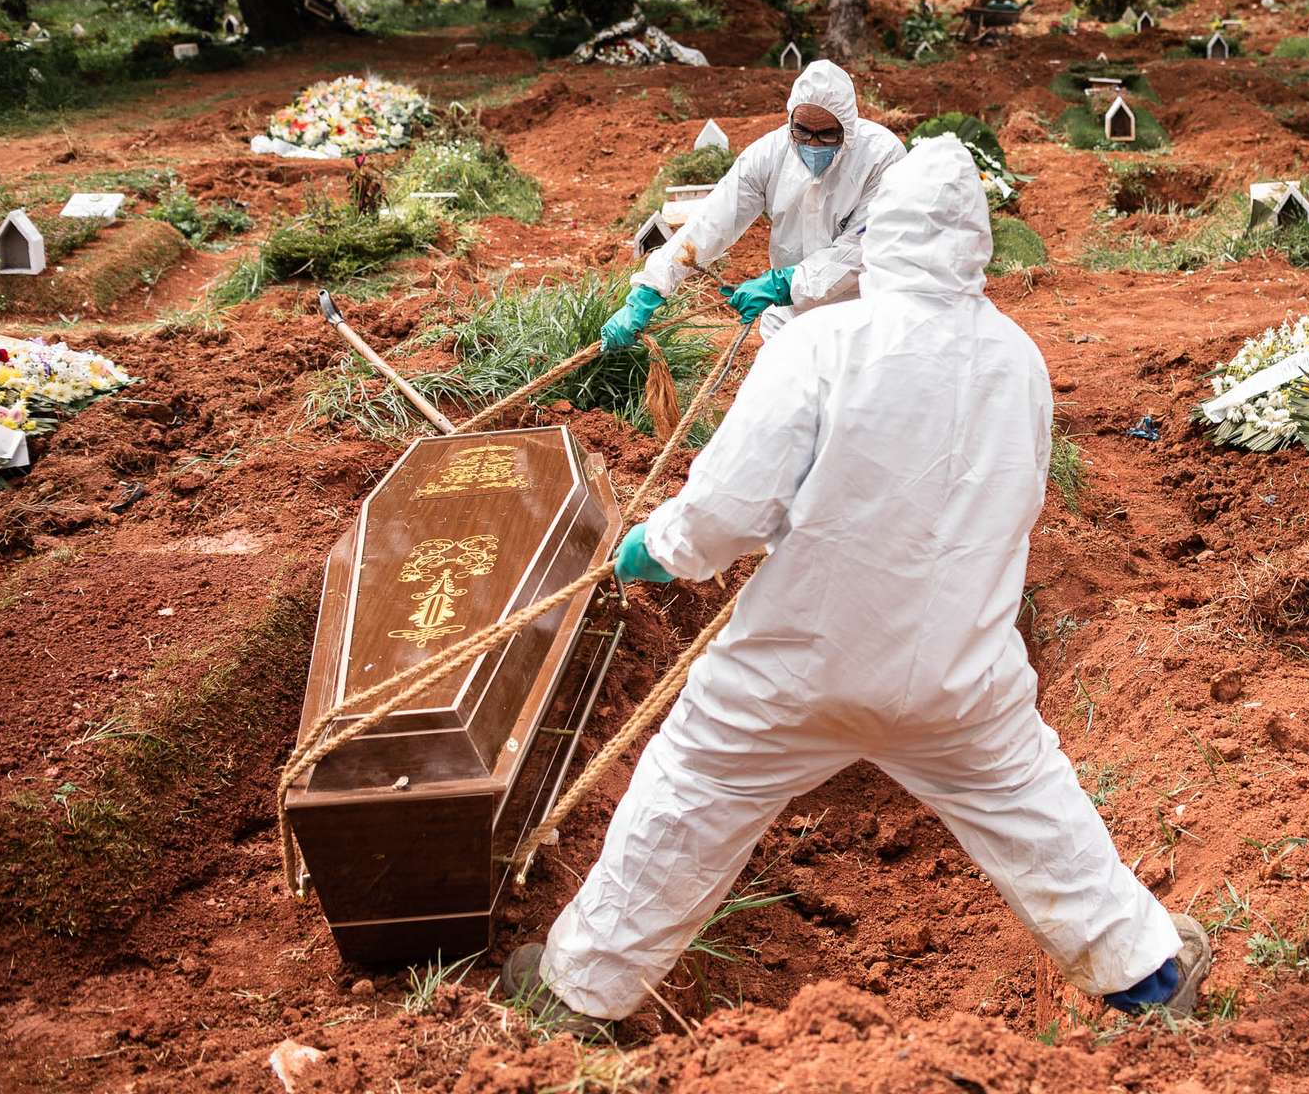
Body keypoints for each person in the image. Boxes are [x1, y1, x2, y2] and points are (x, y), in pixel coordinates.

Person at [503, 136, 1209, 1033]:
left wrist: (657, 546)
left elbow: (726, 513)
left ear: (881, 235)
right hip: (961, 674)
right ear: (977, 244)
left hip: (796, 666)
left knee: (685, 796)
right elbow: (1012, 506)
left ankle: (575, 997)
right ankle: (1147, 979)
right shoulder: (1020, 361)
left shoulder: (823, 344)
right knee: (1035, 812)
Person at [600, 59, 906, 348]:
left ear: (848, 128)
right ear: (790, 121)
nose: (812, 144)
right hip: (792, 312)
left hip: (862, 309)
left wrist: (783, 283)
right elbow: (712, 220)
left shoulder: (882, 158)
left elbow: (863, 248)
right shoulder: (768, 155)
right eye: (802, 131)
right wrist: (651, 288)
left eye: (827, 135)